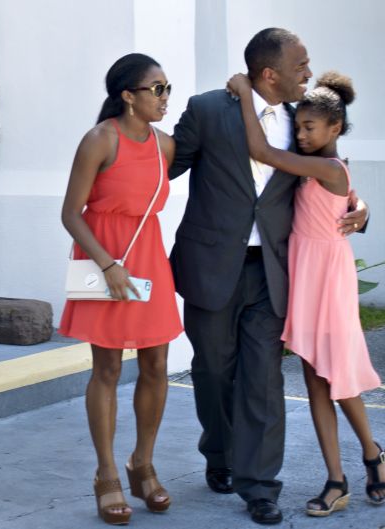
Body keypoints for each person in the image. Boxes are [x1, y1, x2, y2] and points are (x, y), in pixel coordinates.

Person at [169, 27, 369, 525]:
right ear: (269, 73)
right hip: (212, 263)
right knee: (213, 371)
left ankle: (260, 486)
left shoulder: (306, 121)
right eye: (300, 63)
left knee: (262, 379)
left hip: (275, 271)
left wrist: (361, 208)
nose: (308, 70)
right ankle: (221, 455)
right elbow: (165, 167)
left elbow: (334, 178)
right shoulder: (210, 109)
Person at [227, 70, 384, 517]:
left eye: (309, 127)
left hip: (328, 280)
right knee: (316, 380)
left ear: (335, 128)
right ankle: (337, 479)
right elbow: (349, 202)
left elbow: (260, 150)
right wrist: (363, 206)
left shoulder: (328, 168)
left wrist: (242, 92)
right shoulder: (323, 164)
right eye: (298, 127)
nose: (300, 133)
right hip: (305, 277)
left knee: (339, 378)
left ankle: (372, 454)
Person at [59, 53, 183, 524]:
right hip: (103, 258)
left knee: (156, 362)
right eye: (157, 89)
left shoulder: (165, 146)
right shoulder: (99, 140)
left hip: (149, 258)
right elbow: (71, 212)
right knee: (107, 366)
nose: (165, 97)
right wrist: (108, 265)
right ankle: (106, 472)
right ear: (128, 95)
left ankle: (143, 463)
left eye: (168, 87)